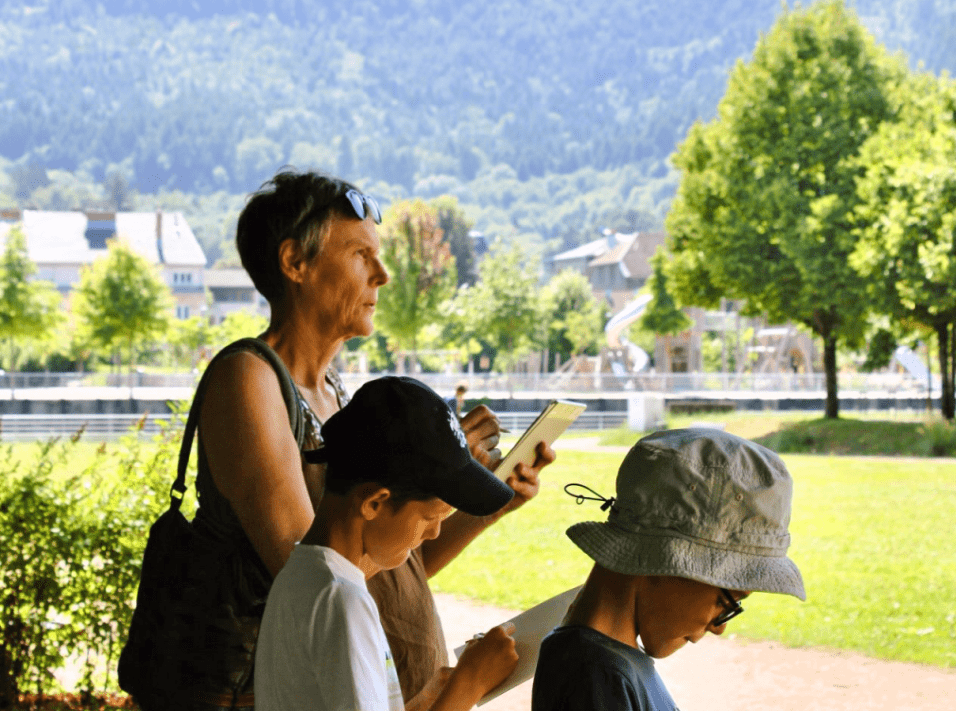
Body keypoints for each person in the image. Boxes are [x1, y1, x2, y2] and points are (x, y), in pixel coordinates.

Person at [188, 169, 553, 709]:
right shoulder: (250, 381)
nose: (382, 275)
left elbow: (389, 554)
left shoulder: (336, 391)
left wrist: (473, 493)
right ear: (295, 264)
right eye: (361, 254)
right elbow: (322, 569)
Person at [255, 376, 518, 711]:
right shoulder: (342, 601)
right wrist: (471, 683)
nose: (435, 532)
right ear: (374, 503)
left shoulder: (304, 577)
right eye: (429, 516)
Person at [532, 427, 806, 711]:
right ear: (665, 561)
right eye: (726, 602)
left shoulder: (609, 662)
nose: (720, 627)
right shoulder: (595, 675)